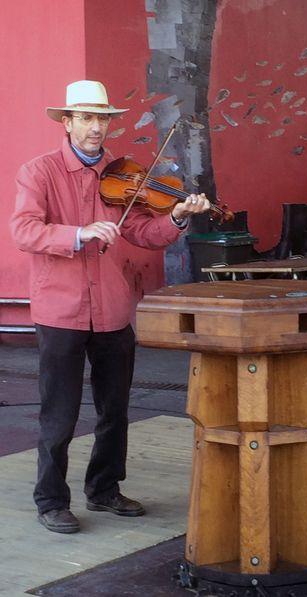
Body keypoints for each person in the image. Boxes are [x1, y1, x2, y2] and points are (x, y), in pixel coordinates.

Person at [9, 80, 210, 534]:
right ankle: (51, 500)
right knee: (58, 412)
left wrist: (177, 217)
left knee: (115, 408)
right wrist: (78, 234)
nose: (96, 127)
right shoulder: (39, 172)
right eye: (86, 117)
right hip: (60, 311)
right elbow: (24, 231)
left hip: (113, 309)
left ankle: (103, 490)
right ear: (67, 122)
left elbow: (143, 232)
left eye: (103, 118)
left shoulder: (122, 176)